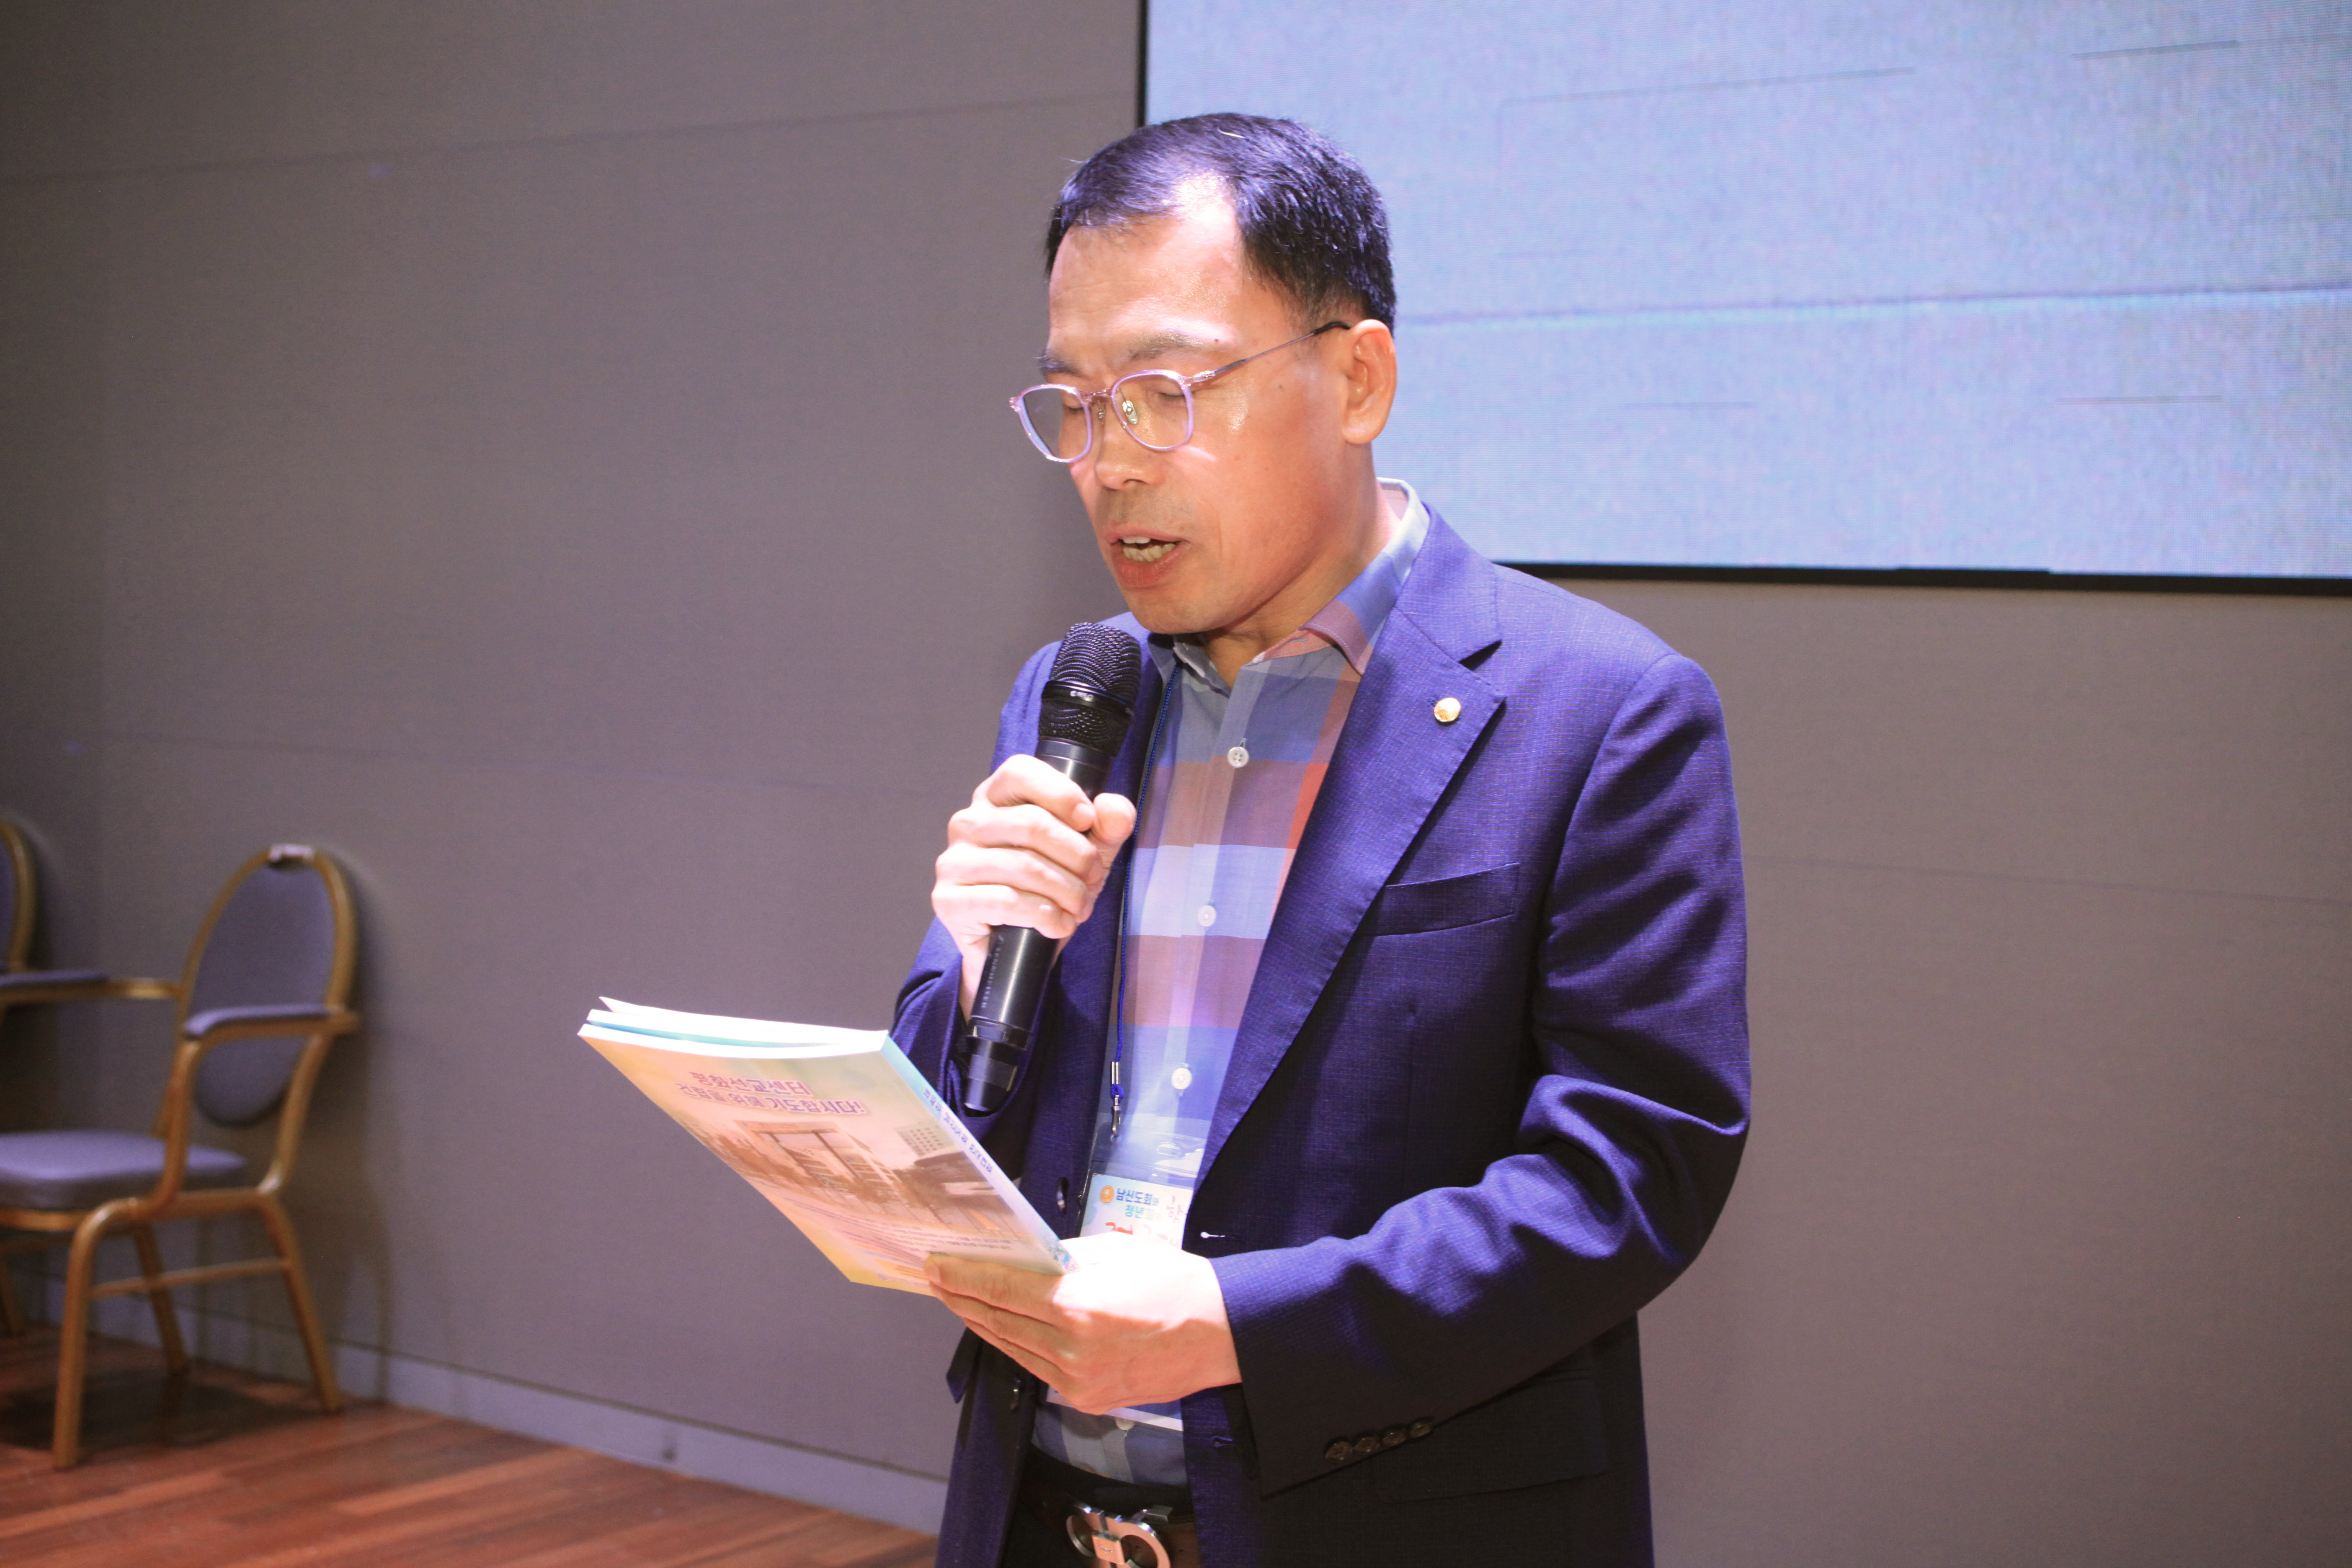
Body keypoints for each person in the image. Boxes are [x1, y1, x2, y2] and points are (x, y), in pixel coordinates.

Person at [896, 114, 1749, 1568]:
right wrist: (969, 981)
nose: (1109, 465)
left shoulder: (1600, 711)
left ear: (1358, 380)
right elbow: (957, 1120)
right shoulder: (1075, 693)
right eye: (1075, 404)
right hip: (1033, 1512)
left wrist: (1238, 1325)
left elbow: (1630, 1173)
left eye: (1163, 393)